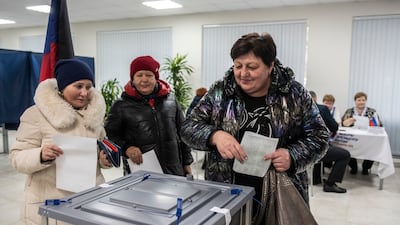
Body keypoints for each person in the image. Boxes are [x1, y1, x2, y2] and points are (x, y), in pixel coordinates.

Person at [180, 32, 330, 223]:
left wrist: (292, 155)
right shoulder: (221, 91)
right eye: (238, 66)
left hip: (279, 193)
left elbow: (320, 136)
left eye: (252, 67)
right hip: (227, 192)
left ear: (270, 65)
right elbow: (188, 127)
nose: (243, 74)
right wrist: (215, 135)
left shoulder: (294, 93)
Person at [9, 58, 112, 225]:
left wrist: (102, 159)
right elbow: (16, 157)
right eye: (78, 86)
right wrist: (41, 155)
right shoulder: (36, 115)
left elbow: (98, 154)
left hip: (88, 200)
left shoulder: (94, 117)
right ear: (62, 88)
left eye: (88, 87)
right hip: (50, 204)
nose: (84, 93)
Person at [105, 55, 193, 176]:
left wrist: (187, 163)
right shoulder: (120, 105)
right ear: (133, 79)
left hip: (174, 170)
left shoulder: (171, 101)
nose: (144, 79)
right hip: (141, 172)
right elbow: (110, 135)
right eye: (139, 75)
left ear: (156, 78)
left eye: (149, 75)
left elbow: (183, 133)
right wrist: (126, 148)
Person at [310, 91, 350, 193]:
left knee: (326, 146)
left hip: (301, 150)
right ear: (316, 99)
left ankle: (316, 178)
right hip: (316, 148)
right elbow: (334, 127)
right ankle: (330, 184)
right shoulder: (322, 109)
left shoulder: (295, 109)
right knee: (345, 155)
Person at [341, 91, 382, 175]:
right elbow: (343, 124)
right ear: (355, 101)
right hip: (352, 138)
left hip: (368, 139)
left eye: (363, 100)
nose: (361, 102)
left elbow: (379, 125)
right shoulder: (349, 111)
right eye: (359, 100)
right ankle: (353, 166)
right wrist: (348, 121)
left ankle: (366, 167)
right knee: (346, 148)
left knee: (373, 148)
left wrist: (373, 122)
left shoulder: (372, 111)